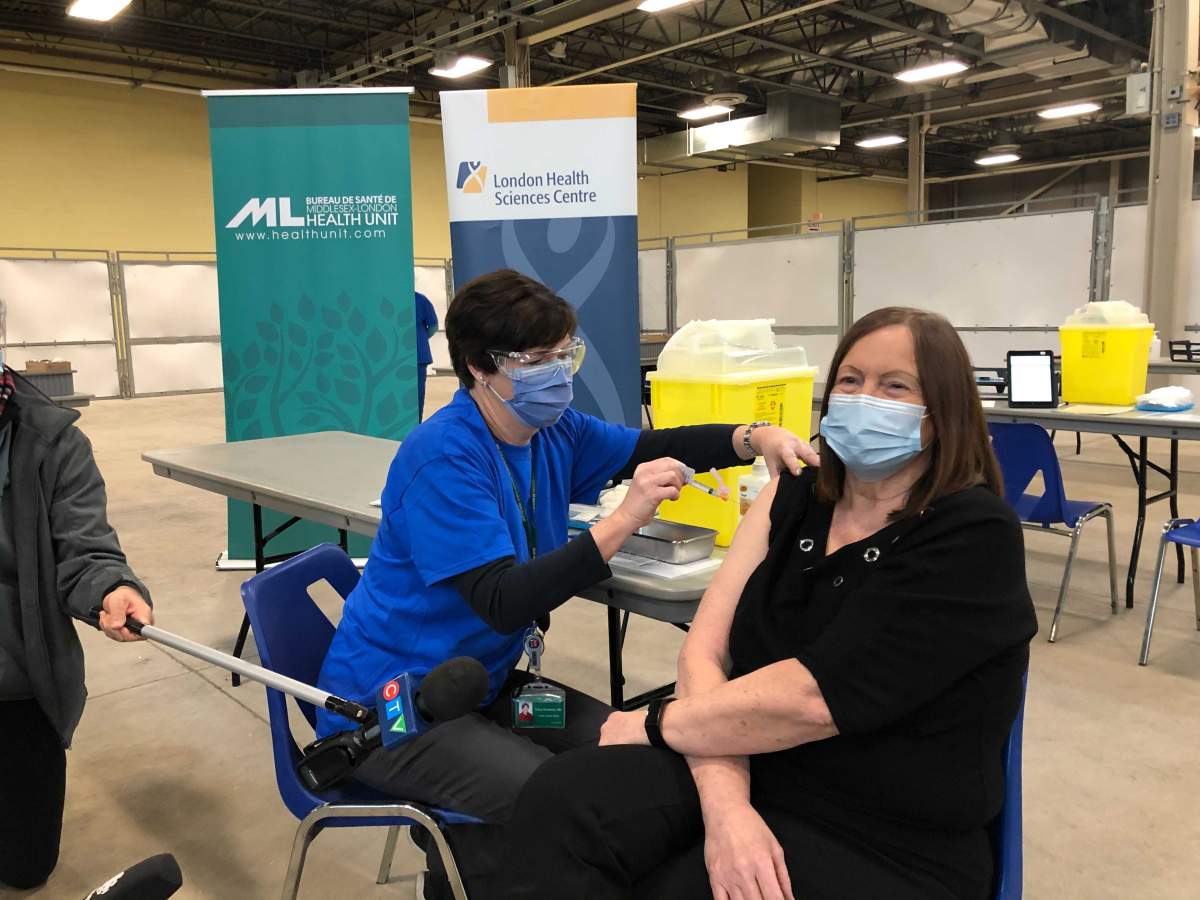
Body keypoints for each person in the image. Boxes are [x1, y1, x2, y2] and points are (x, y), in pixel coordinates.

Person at [502, 306, 1039, 900]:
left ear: (942, 411)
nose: (865, 398)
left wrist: (658, 723)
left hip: (884, 834)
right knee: (563, 800)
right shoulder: (797, 494)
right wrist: (727, 811)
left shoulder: (972, 535)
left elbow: (810, 700)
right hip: (753, 766)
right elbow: (703, 654)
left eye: (895, 386)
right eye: (851, 380)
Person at [316, 269, 813, 895]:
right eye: (536, 360)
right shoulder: (443, 455)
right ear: (478, 366)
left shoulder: (552, 431)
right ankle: (461, 876)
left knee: (631, 751)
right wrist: (624, 520)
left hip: (486, 686)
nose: (558, 373)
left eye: (563, 354)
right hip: (395, 711)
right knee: (568, 804)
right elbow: (502, 601)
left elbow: (648, 444)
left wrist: (752, 436)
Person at [0, 364, 154, 890]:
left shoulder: (52, 440)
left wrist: (111, 588)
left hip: (17, 684)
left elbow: (85, 548)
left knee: (25, 867)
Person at [415, 290, 438, 421]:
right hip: (419, 353)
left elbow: (434, 326)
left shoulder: (421, 300)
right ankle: (416, 422)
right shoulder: (421, 299)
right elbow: (433, 326)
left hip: (418, 356)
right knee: (418, 395)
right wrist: (422, 338)